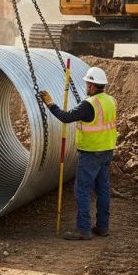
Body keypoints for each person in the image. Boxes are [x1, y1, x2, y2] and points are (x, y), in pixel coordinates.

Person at [40, 66, 117, 241]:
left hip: (91, 152)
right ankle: (103, 227)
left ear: (91, 85)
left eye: (87, 83)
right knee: (103, 189)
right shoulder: (111, 100)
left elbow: (65, 117)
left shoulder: (89, 105)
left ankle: (83, 229)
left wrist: (50, 104)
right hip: (107, 151)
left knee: (82, 189)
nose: (86, 86)